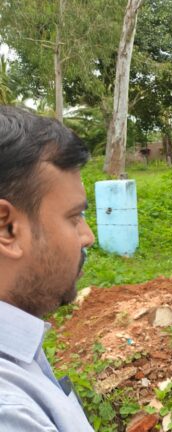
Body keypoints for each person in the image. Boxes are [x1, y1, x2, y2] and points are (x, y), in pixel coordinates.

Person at [0, 106, 95, 431]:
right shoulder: (11, 413)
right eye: (74, 216)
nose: (87, 236)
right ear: (6, 228)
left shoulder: (16, 354)